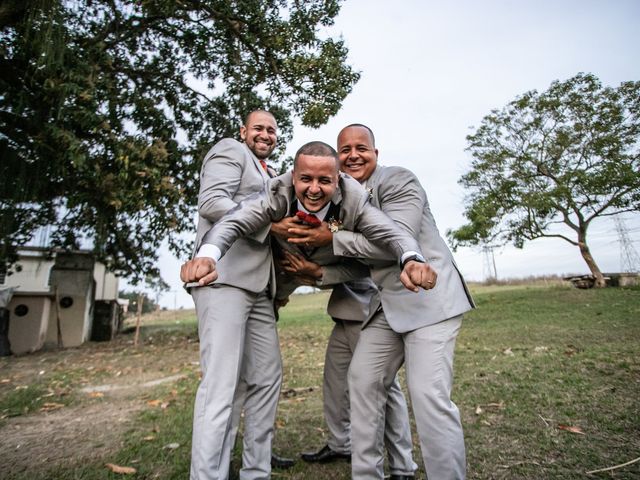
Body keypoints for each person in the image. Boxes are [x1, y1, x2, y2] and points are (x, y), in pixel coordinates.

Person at [288, 124, 475, 479]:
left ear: (376, 152)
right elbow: (360, 265)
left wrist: (332, 236)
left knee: (428, 398)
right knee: (361, 379)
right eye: (345, 150)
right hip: (387, 307)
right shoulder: (341, 201)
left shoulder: (399, 181)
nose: (353, 155)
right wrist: (315, 273)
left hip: (429, 301)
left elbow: (397, 239)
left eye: (362, 148)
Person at [188, 110, 288, 480]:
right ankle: (208, 475)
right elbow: (212, 201)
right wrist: (268, 225)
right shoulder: (230, 150)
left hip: (261, 290)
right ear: (244, 131)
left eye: (272, 130)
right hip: (223, 278)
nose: (265, 134)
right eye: (259, 127)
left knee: (266, 377)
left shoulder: (274, 176)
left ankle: (255, 470)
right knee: (222, 385)